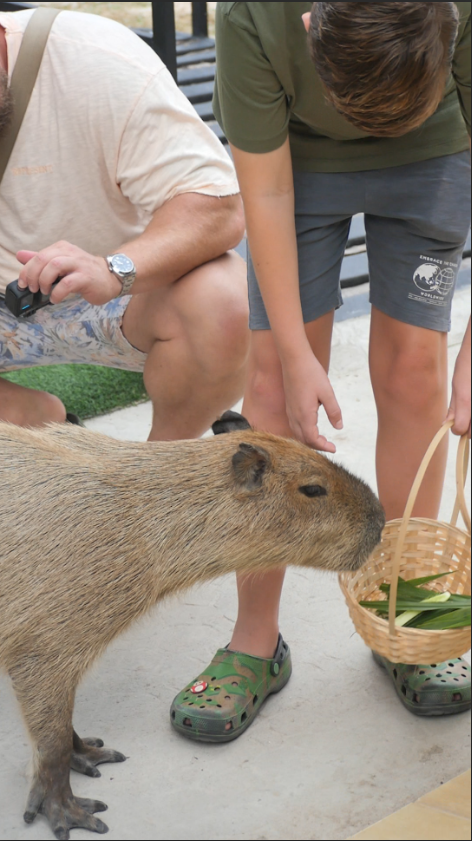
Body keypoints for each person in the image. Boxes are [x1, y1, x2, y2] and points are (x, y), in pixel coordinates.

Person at [171, 1, 471, 741]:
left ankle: (405, 606)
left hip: (433, 150)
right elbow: (267, 192)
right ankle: (256, 638)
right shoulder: (255, 18)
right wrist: (296, 354)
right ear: (310, 28)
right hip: (297, 161)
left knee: (415, 372)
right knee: (273, 388)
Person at [0, 8, 249, 440]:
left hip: (119, 299)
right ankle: (32, 422)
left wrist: (114, 269)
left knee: (224, 301)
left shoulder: (94, 59)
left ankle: (159, 465)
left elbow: (217, 209)